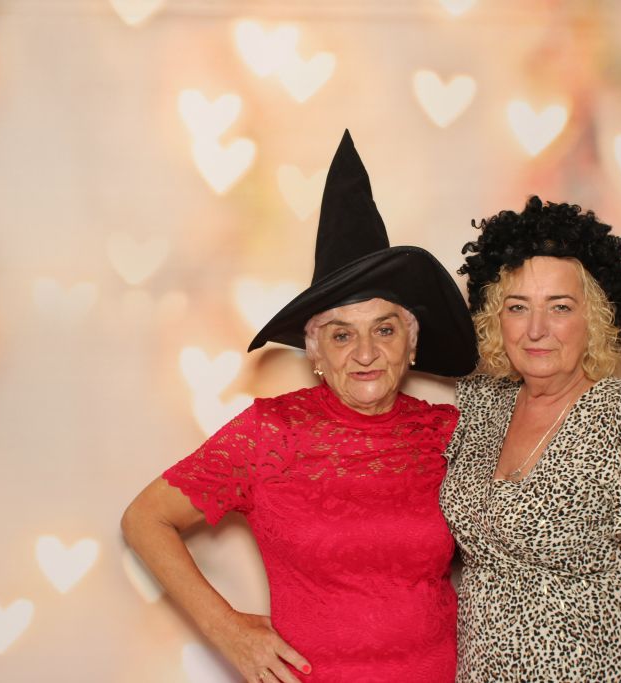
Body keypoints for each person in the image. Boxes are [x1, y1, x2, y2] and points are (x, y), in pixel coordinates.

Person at [121, 130, 479, 683]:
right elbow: (145, 519)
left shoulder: (451, 433)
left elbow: (527, 538)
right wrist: (228, 630)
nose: (365, 353)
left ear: (411, 344)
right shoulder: (270, 431)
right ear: (315, 352)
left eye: (384, 330)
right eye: (342, 334)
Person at [440, 196, 621, 682]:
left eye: (560, 307)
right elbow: (383, 379)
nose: (537, 330)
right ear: (495, 318)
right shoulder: (480, 405)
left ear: (593, 318)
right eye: (518, 307)